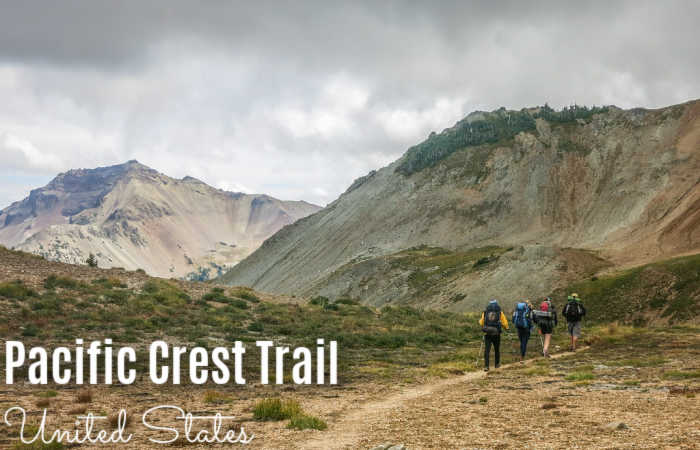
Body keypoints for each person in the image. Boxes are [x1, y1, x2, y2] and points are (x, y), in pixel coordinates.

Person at [479, 299, 509, 371]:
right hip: (496, 333)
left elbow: (481, 322)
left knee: (487, 350)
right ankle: (497, 364)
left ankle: (486, 366)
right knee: (496, 349)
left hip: (488, 332)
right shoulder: (500, 312)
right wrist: (507, 328)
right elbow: (504, 322)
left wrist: (483, 325)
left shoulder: (485, 312)